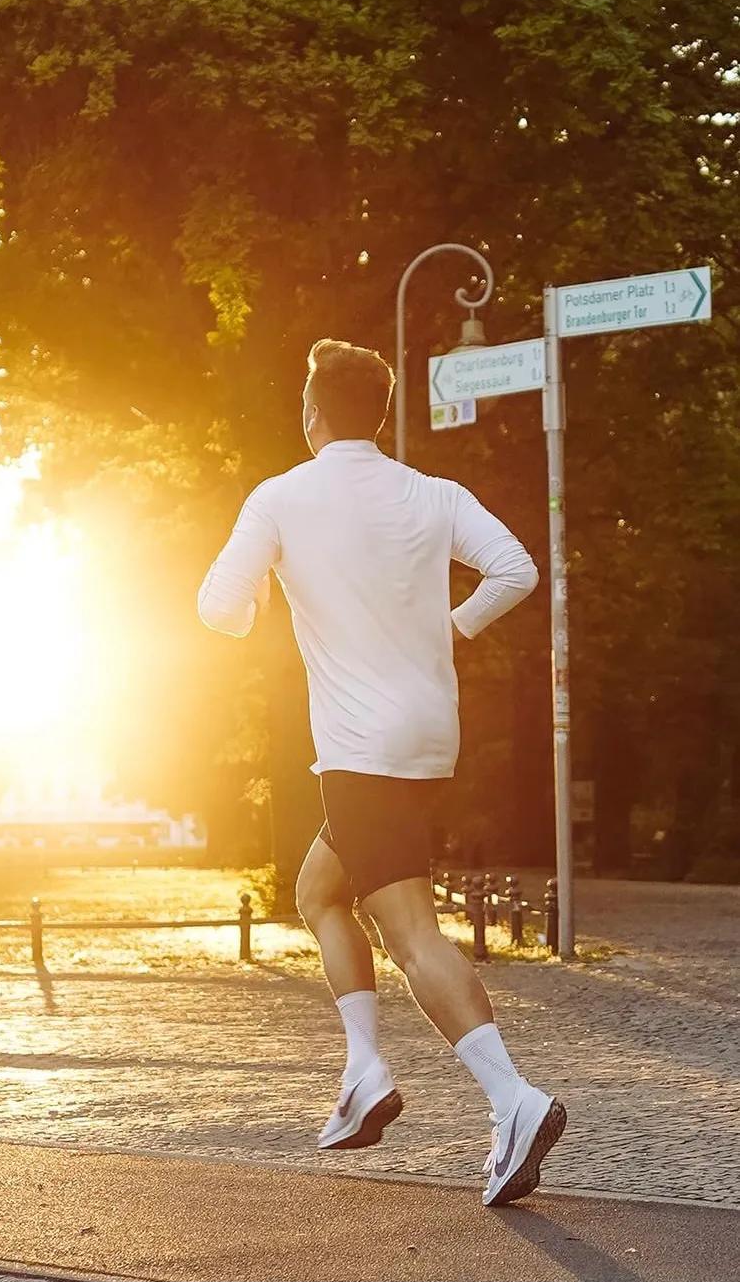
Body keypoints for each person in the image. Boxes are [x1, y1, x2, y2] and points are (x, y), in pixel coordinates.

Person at [197, 337, 565, 1208]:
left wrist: (253, 606)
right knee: (319, 890)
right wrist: (457, 626)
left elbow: (219, 606)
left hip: (360, 746)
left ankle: (514, 1099)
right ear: (383, 415)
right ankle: (364, 1069)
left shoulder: (281, 496)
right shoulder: (432, 493)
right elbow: (517, 568)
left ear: (311, 413)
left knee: (408, 930)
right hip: (424, 739)